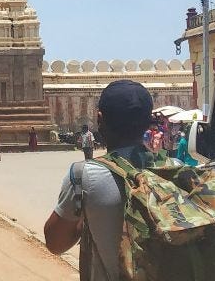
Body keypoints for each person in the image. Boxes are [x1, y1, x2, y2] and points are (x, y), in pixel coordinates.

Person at [44, 79, 155, 280]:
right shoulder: (179, 170)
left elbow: (55, 243)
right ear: (149, 122)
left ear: (99, 118)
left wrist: (89, 213)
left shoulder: (83, 176)